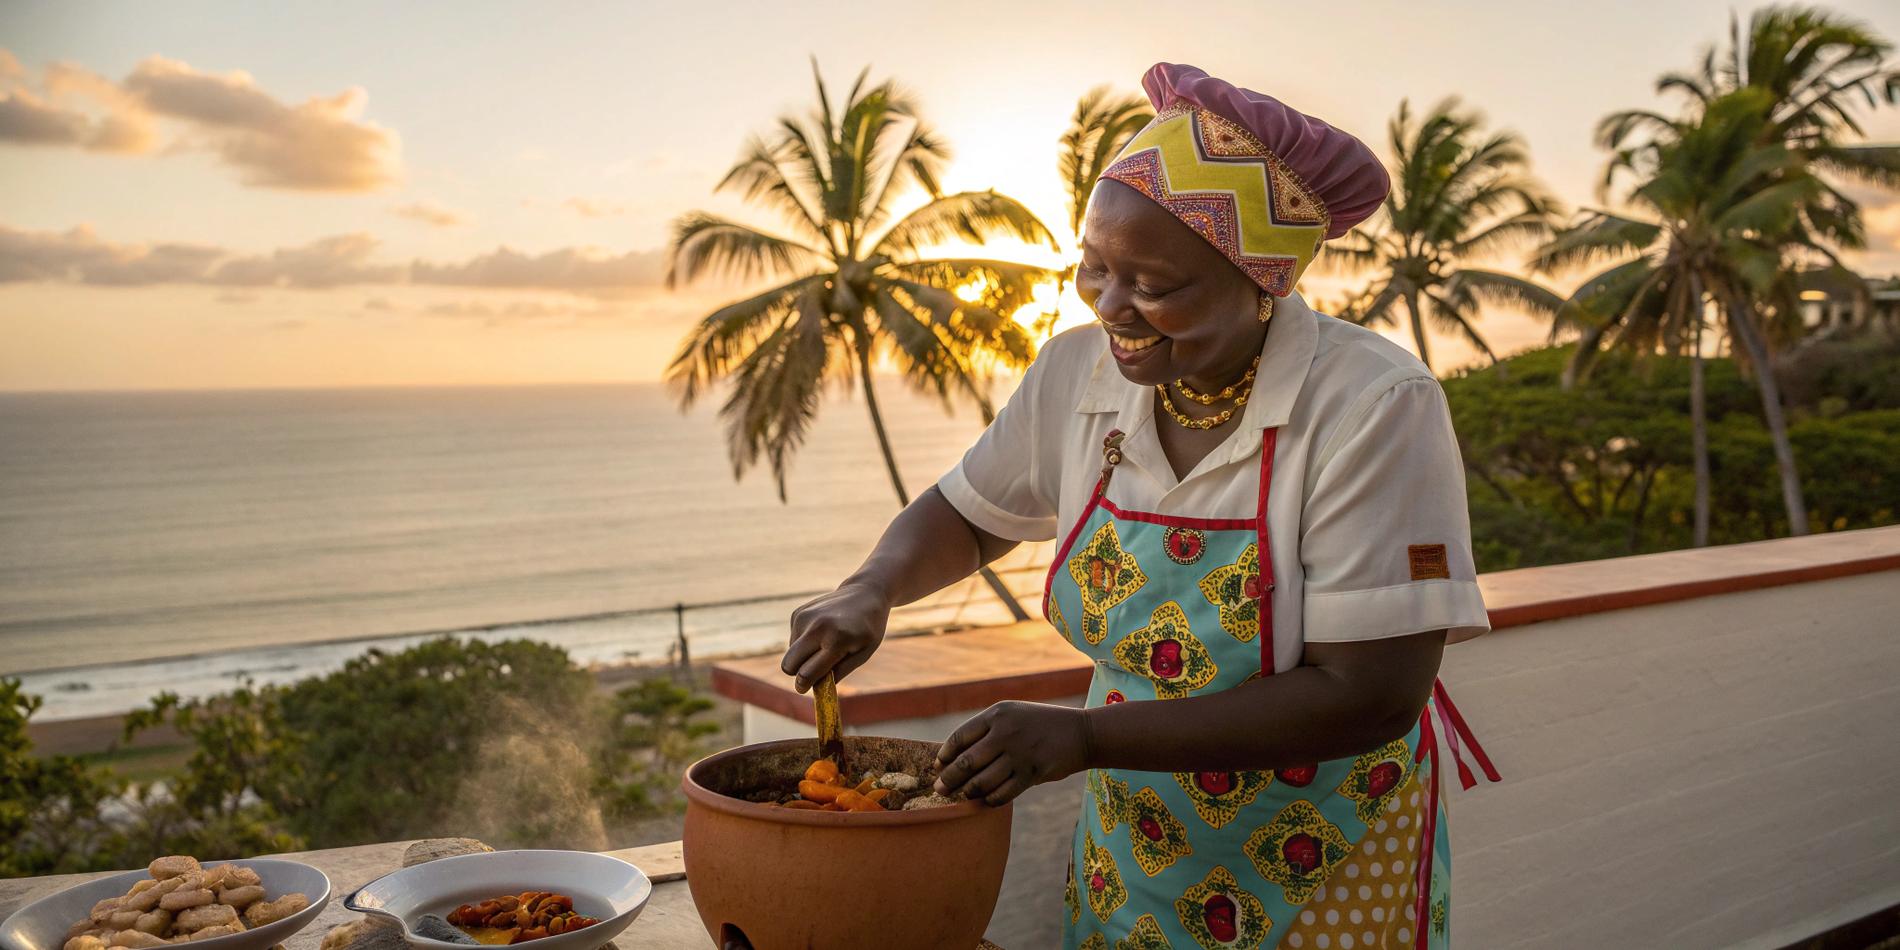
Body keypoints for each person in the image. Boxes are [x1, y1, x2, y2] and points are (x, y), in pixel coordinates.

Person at [783, 62, 1497, 949]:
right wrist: (873, 586)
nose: (1112, 307)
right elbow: (972, 512)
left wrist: (1085, 741)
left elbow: (1371, 693)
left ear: (1261, 282)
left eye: (1154, 287)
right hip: (1139, 844)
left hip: (1328, 854)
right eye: (1093, 269)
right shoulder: (1076, 373)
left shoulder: (1373, 404)